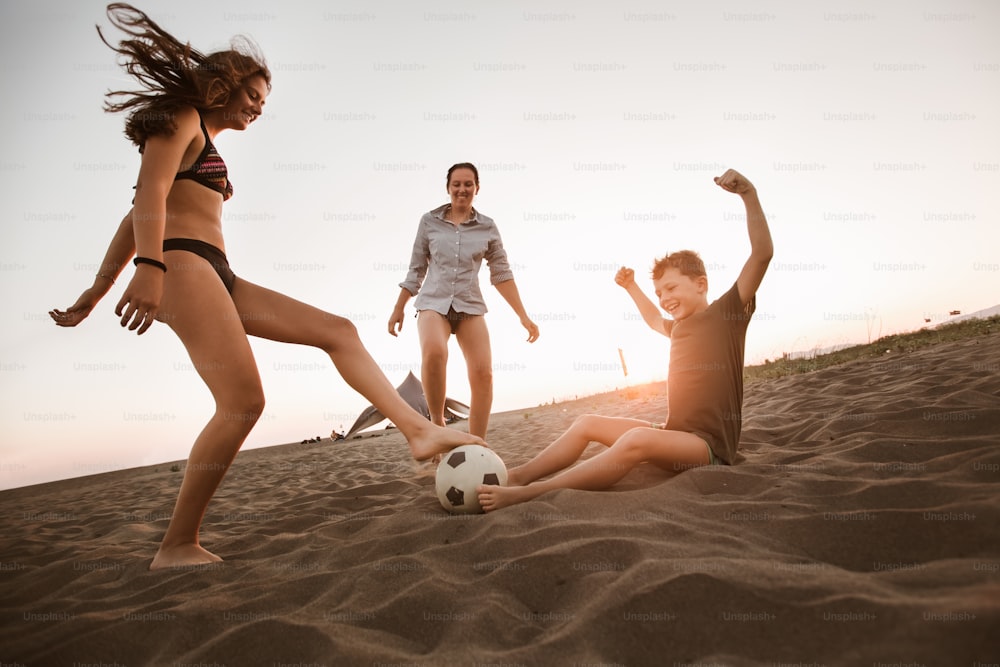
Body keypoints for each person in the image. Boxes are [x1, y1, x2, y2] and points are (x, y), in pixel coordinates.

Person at [49, 3, 481, 570]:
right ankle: (176, 545)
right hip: (180, 265)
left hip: (214, 270)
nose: (258, 106)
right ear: (223, 84)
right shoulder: (181, 118)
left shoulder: (204, 137)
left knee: (338, 331)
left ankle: (418, 432)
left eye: (263, 101)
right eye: (253, 94)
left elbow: (134, 220)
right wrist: (146, 270)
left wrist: (96, 289)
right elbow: (146, 201)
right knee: (242, 402)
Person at [477, 169, 773, 511]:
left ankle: (534, 493)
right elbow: (651, 319)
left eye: (672, 288)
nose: (664, 298)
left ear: (701, 284)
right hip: (672, 435)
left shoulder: (725, 315)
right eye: (660, 291)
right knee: (586, 423)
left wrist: (748, 194)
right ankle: (519, 477)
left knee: (637, 439)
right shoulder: (678, 329)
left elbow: (762, 254)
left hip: (707, 449)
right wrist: (632, 287)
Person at [388, 163, 540, 439]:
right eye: (456, 184)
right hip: (433, 304)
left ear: (477, 188)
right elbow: (416, 269)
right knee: (435, 352)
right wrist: (399, 307)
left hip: (470, 307)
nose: (462, 189)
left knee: (484, 373)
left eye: (468, 184)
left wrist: (523, 316)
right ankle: (437, 425)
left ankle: (477, 443)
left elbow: (501, 273)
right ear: (448, 188)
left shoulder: (488, 227)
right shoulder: (429, 222)